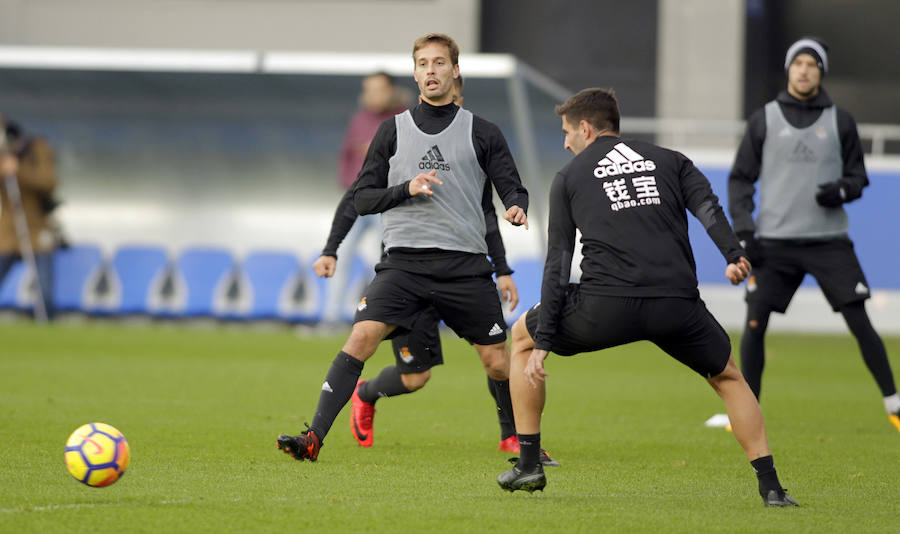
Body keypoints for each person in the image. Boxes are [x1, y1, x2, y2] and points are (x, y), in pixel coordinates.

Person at [496, 88, 798, 507]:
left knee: (521, 338)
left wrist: (544, 342)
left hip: (604, 306)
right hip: (676, 305)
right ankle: (772, 489)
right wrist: (733, 255)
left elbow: (559, 261)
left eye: (567, 132)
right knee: (730, 378)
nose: (565, 142)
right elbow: (708, 208)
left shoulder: (570, 176)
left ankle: (529, 463)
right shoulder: (671, 160)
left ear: (585, 128)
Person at [277, 33, 529, 463]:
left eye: (439, 63)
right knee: (362, 337)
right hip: (404, 267)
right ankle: (313, 437)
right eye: (423, 64)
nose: (431, 71)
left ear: (455, 71)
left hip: (464, 269)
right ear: (414, 74)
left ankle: (515, 440)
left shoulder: (484, 132)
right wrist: (404, 191)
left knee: (496, 363)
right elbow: (362, 198)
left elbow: (509, 190)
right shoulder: (390, 131)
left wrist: (516, 208)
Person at [728, 37, 900, 433]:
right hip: (773, 244)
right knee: (755, 323)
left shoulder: (841, 121)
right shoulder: (763, 120)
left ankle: (894, 402)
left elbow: (859, 178)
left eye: (812, 64)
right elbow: (740, 181)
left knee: (859, 321)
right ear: (789, 69)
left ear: (820, 72)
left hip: (829, 242)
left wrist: (842, 189)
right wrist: (745, 231)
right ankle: (747, 411)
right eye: (798, 63)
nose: (804, 70)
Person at [322, 72, 411, 324]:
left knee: (386, 261)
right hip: (356, 199)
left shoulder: (405, 118)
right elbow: (347, 153)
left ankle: (384, 318)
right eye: (368, 89)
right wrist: (347, 185)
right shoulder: (359, 118)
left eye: (378, 89)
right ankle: (330, 318)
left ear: (391, 90)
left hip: (386, 201)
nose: (372, 95)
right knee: (337, 253)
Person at [0, 115, 58, 319]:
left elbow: (48, 182)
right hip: (8, 230)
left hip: (36, 228)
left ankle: (44, 321)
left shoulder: (36, 148)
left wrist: (17, 171)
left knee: (44, 289)